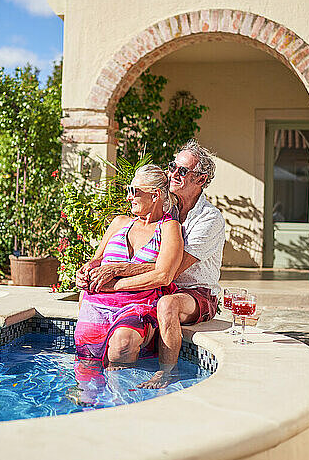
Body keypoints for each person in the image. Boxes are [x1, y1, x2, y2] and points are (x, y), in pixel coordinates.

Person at [77, 139, 226, 387]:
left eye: (183, 171)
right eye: (172, 166)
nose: (173, 174)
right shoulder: (168, 212)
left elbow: (169, 270)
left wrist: (115, 273)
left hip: (194, 293)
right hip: (154, 287)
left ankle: (167, 372)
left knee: (167, 304)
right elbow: (156, 266)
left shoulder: (208, 219)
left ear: (201, 180)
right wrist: (91, 272)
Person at [74, 164, 183, 370]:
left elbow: (163, 275)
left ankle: (124, 401)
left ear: (155, 195)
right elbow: (96, 260)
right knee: (87, 367)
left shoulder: (169, 228)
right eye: (128, 191)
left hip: (137, 304)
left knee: (121, 347)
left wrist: (114, 284)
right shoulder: (119, 222)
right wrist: (84, 271)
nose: (128, 197)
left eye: (133, 191)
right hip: (97, 304)